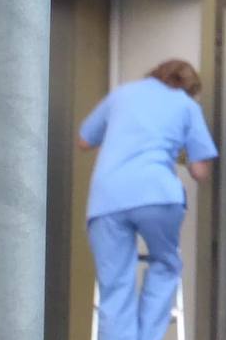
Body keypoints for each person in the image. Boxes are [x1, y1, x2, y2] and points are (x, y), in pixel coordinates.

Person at [78, 59, 218, 340]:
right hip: (158, 195)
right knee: (165, 264)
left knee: (116, 283)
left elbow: (84, 141)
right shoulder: (186, 105)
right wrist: (179, 154)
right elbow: (200, 170)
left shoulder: (122, 94)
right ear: (190, 88)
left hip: (108, 197)